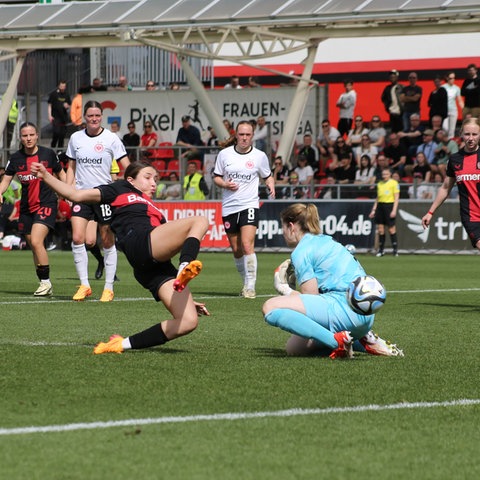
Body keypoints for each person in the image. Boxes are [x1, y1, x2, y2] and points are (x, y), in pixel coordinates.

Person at [31, 160, 210, 355]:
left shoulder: (156, 210)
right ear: (131, 180)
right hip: (140, 241)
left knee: (187, 322)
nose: (153, 183)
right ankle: (185, 265)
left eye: (156, 179)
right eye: (148, 177)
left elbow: (164, 249)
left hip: (150, 266)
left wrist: (182, 297)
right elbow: (75, 194)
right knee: (200, 220)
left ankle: (119, 345)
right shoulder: (119, 188)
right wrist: (46, 176)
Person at [262, 203, 404, 358]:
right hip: (365, 315)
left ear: (291, 226)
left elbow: (312, 298)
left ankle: (338, 343)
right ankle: (363, 342)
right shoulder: (327, 240)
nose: (282, 233)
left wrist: (285, 290)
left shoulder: (301, 251)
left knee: (269, 307)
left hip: (344, 310)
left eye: (282, 227)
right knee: (295, 348)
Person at [65, 100, 130, 302]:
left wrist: (124, 186)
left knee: (107, 240)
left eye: (97, 115)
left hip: (104, 195)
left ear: (101, 116)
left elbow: (126, 165)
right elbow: (71, 167)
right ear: (84, 117)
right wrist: (69, 190)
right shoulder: (76, 138)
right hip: (82, 195)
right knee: (77, 238)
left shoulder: (111, 139)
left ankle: (108, 288)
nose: (94, 119)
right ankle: (84, 285)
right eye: (90, 115)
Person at [0, 122, 66, 295]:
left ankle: (45, 283)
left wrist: (69, 191)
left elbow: (61, 173)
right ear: (20, 138)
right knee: (34, 246)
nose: (28, 139)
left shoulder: (48, 154)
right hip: (26, 208)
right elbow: (5, 181)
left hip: (47, 203)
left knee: (37, 241)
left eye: (31, 135)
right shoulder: (15, 158)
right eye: (24, 136)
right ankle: (44, 283)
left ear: (37, 135)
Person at [213, 120, 275, 299]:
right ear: (236, 135)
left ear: (252, 136)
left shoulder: (259, 156)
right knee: (236, 249)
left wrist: (271, 185)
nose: (244, 138)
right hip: (229, 206)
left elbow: (267, 176)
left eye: (248, 135)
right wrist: (224, 183)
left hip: (249, 205)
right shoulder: (225, 155)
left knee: (247, 244)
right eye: (241, 134)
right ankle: (245, 282)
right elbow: (216, 177)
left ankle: (250, 286)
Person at [422, 118, 480, 251]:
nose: (470, 138)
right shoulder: (455, 160)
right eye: (467, 134)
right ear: (461, 135)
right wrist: (430, 212)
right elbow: (445, 187)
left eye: (474, 134)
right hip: (471, 217)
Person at [369, 168, 400, 257]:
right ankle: (381, 250)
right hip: (380, 207)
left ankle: (395, 250)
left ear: (390, 174)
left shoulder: (394, 183)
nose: (384, 176)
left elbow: (396, 198)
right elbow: (378, 198)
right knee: (381, 229)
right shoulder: (379, 184)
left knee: (391, 229)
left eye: (386, 174)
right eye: (383, 174)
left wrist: (394, 210)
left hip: (389, 206)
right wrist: (374, 210)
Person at [48, 80, 71, 149]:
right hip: (55, 117)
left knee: (62, 135)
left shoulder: (67, 94)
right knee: (56, 133)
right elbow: (49, 105)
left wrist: (67, 106)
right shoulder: (54, 94)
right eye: (61, 86)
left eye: (64, 86)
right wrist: (49, 115)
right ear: (58, 86)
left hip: (63, 117)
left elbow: (69, 104)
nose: (62, 88)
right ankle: (53, 147)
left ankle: (60, 150)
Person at [442, 72, 464, 140]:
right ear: (447, 78)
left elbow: (459, 100)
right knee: (445, 128)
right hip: (444, 111)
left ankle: (450, 146)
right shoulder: (443, 87)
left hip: (453, 110)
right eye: (451, 78)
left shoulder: (456, 88)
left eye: (454, 78)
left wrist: (464, 109)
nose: (452, 80)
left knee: (452, 130)